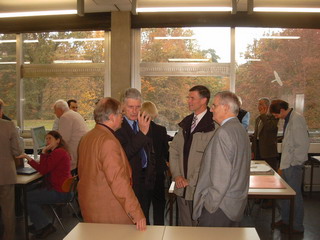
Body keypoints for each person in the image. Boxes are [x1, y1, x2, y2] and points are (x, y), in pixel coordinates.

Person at [78, 97, 146, 231]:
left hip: (90, 206)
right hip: (109, 210)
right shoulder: (108, 141)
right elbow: (118, 181)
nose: (123, 117)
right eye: (121, 113)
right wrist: (136, 213)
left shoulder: (87, 137)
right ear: (111, 117)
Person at [193, 91, 251, 227]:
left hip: (219, 208)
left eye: (214, 105)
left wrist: (209, 206)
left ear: (225, 108)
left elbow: (220, 178)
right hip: (235, 205)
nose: (211, 109)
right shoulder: (240, 130)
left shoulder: (224, 132)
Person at [169, 85, 215, 226]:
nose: (188, 101)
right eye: (188, 98)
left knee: (199, 229)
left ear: (203, 100)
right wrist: (177, 176)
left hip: (200, 189)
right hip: (181, 187)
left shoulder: (213, 124)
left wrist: (191, 180)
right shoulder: (186, 122)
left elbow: (210, 159)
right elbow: (174, 150)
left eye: (192, 98)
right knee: (185, 228)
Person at [17, 131, 72, 239]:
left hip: (59, 192)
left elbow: (43, 169)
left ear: (58, 140)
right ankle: (39, 223)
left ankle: (45, 226)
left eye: (49, 138)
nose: (47, 141)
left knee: (26, 197)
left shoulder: (58, 153)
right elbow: (44, 167)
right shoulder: (58, 152)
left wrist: (43, 152)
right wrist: (29, 158)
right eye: (46, 139)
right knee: (29, 190)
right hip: (63, 190)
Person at [115, 88, 155, 224]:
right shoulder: (118, 127)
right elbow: (125, 153)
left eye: (138, 107)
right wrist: (142, 134)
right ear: (122, 107)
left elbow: (148, 150)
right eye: (131, 107)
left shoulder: (141, 122)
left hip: (145, 179)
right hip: (131, 180)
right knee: (134, 221)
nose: (134, 111)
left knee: (145, 218)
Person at [269, 99, 309, 234]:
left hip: (293, 165)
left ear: (281, 110)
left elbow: (302, 144)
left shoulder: (297, 119)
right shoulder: (288, 119)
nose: (275, 117)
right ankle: (286, 220)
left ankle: (297, 226)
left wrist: (293, 163)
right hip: (287, 164)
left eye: (275, 114)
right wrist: (283, 165)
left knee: (295, 196)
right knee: (284, 195)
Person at [141, 101, 169, 225]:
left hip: (142, 173)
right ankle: (159, 228)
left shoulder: (137, 130)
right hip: (158, 171)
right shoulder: (161, 130)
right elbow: (165, 151)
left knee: (143, 205)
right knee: (159, 203)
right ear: (155, 114)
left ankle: (144, 231)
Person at [0, 103, 23, 240]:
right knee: (8, 211)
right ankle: (9, 237)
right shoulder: (8, 126)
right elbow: (16, 151)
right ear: (1, 110)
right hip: (5, 174)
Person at [53, 99, 88, 170]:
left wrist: (48, 151)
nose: (55, 113)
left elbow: (63, 140)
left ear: (59, 110)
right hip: (81, 152)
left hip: (73, 156)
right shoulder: (75, 114)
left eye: (55, 111)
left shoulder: (65, 117)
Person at [251, 97, 279, 170]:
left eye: (260, 104)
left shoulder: (273, 117)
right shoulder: (258, 119)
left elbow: (270, 128)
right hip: (258, 152)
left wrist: (263, 115)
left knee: (270, 174)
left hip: (268, 153)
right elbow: (256, 136)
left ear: (267, 106)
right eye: (258, 104)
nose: (258, 107)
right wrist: (252, 151)